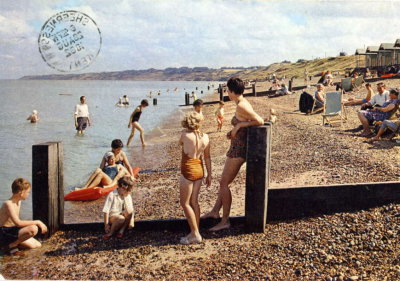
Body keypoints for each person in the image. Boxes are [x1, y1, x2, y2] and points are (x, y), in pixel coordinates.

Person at [202, 77, 263, 231]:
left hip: (239, 150)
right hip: (236, 146)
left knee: (223, 183)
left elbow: (259, 121)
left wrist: (240, 125)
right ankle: (215, 212)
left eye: (228, 90)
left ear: (233, 92)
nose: (227, 93)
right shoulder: (240, 103)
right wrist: (235, 129)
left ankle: (225, 220)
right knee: (223, 182)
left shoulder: (242, 105)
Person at [179, 112, 211, 244]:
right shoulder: (206, 137)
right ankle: (195, 230)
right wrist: (210, 174)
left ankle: (195, 234)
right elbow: (207, 157)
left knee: (185, 203)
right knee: (194, 202)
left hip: (188, 170)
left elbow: (180, 144)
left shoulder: (185, 135)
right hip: (200, 168)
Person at [0, 178, 47, 255]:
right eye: (28, 192)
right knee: (33, 228)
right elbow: (18, 223)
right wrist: (38, 222)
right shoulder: (8, 204)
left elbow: (16, 224)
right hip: (3, 232)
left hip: (11, 231)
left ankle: (10, 244)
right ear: (21, 192)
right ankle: (12, 245)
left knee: (37, 245)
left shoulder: (19, 202)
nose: (29, 194)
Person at [102, 176, 135, 240]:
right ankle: (110, 233)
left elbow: (131, 209)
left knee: (129, 212)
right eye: (127, 191)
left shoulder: (127, 195)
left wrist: (131, 221)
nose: (128, 193)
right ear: (122, 188)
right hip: (113, 216)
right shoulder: (112, 195)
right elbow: (106, 211)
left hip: (123, 214)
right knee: (121, 218)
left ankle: (121, 230)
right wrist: (106, 224)